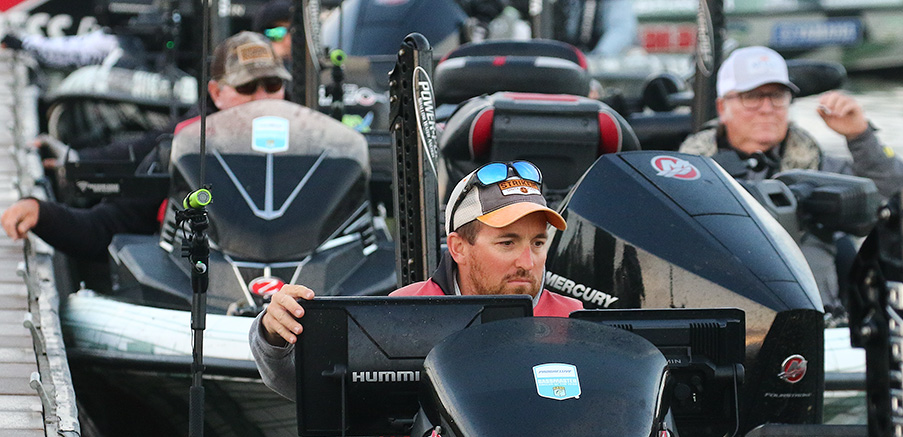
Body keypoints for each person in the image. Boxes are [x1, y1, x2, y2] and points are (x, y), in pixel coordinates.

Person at [250, 160, 584, 400]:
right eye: (507, 243)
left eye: (537, 243)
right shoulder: (401, 311)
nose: (528, 262)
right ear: (458, 248)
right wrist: (272, 332)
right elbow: (316, 390)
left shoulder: (575, 319)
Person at [1, 31, 291, 261]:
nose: (262, 99)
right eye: (247, 88)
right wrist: (43, 214)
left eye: (272, 85)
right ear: (216, 92)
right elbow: (109, 226)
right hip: (209, 288)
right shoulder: (180, 149)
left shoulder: (311, 143)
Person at [678, 46, 903, 313]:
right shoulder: (685, 172)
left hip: (815, 320)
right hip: (719, 316)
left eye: (777, 96)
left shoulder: (819, 168)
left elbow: (899, 201)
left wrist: (861, 137)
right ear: (722, 107)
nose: (767, 108)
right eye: (752, 96)